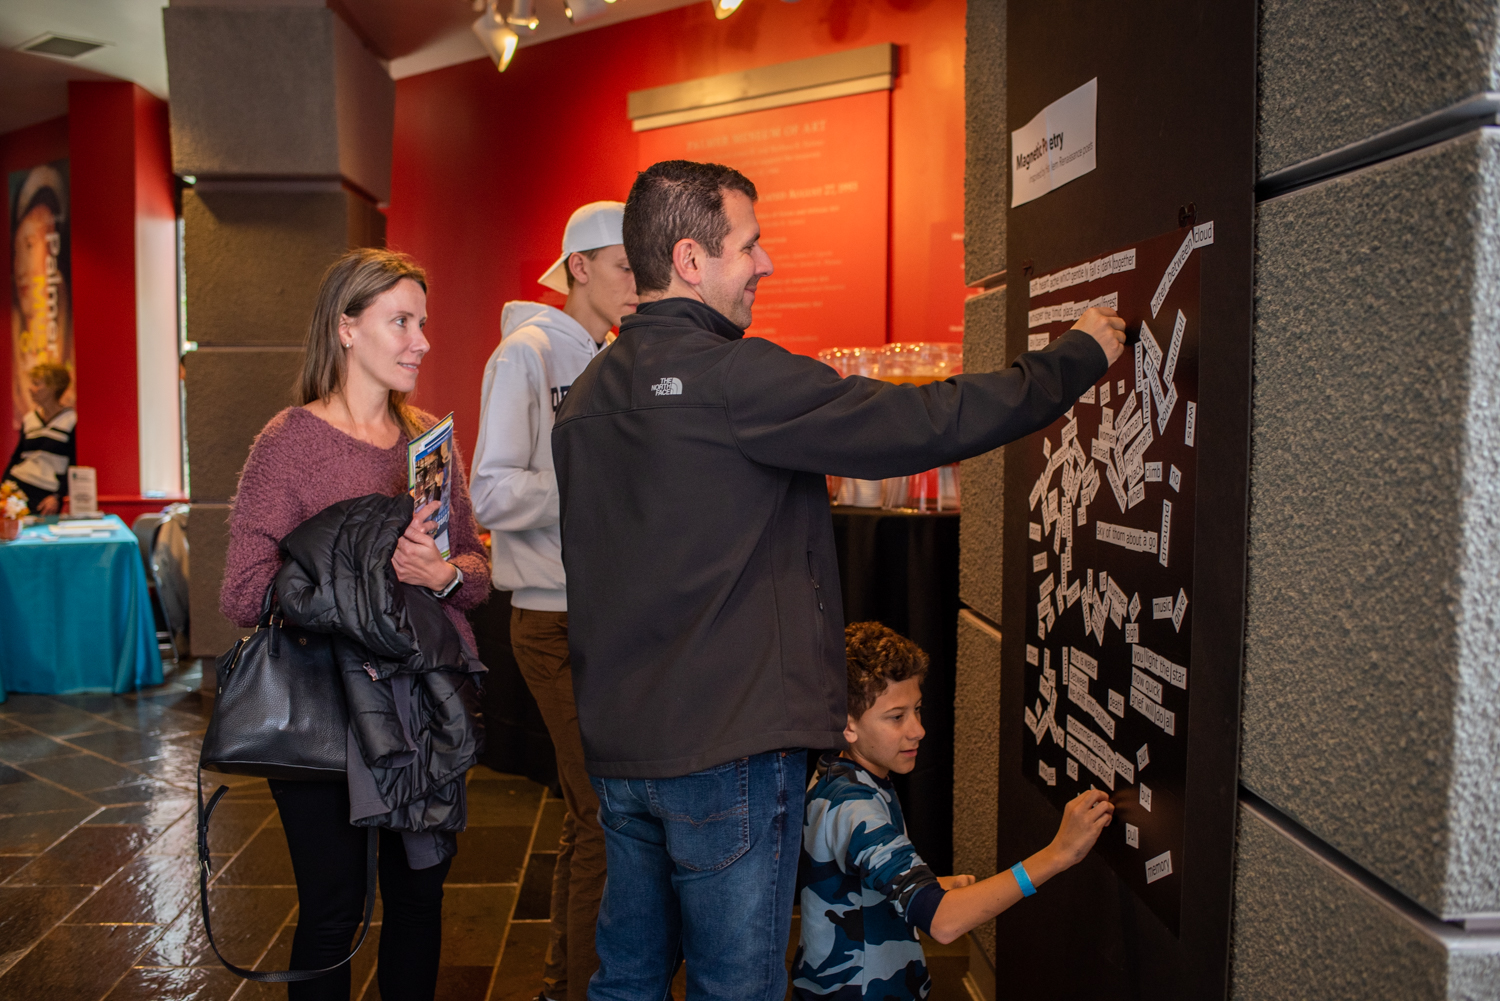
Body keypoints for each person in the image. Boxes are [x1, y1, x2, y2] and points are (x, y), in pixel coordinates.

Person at [551, 159, 1126, 1001]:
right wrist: (1072, 361)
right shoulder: (735, 377)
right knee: (735, 985)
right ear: (689, 259)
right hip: (727, 752)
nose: (766, 263)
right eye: (750, 244)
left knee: (627, 979)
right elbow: (921, 420)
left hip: (621, 752)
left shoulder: (587, 394)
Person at [220, 248, 490, 1001]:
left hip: (421, 713)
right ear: (346, 328)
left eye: (423, 323)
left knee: (419, 899)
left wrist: (443, 573)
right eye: (400, 321)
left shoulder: (429, 439)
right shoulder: (289, 443)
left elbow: (473, 567)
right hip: (325, 716)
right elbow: (244, 592)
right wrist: (368, 570)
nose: (421, 340)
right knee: (334, 913)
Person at [470, 200, 637, 1001]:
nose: (639, 283)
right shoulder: (526, 352)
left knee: (592, 812)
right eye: (624, 267)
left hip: (600, 611)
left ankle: (564, 979)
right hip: (551, 615)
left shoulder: (602, 351)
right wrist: (598, 480)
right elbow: (491, 494)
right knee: (605, 813)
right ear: (579, 267)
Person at [793, 622, 1113, 999]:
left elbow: (851, 879)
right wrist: (1058, 855)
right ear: (848, 725)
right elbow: (943, 923)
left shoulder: (837, 772)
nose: (918, 730)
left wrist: (930, 887)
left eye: (917, 709)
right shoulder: (856, 807)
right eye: (896, 717)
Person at [5, 362, 76, 515]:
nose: (30, 389)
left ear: (54, 387)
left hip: (45, 496)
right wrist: (4, 489)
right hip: (18, 490)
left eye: (37, 384)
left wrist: (58, 496)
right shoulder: (30, 419)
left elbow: (73, 464)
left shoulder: (71, 420)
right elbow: (17, 457)